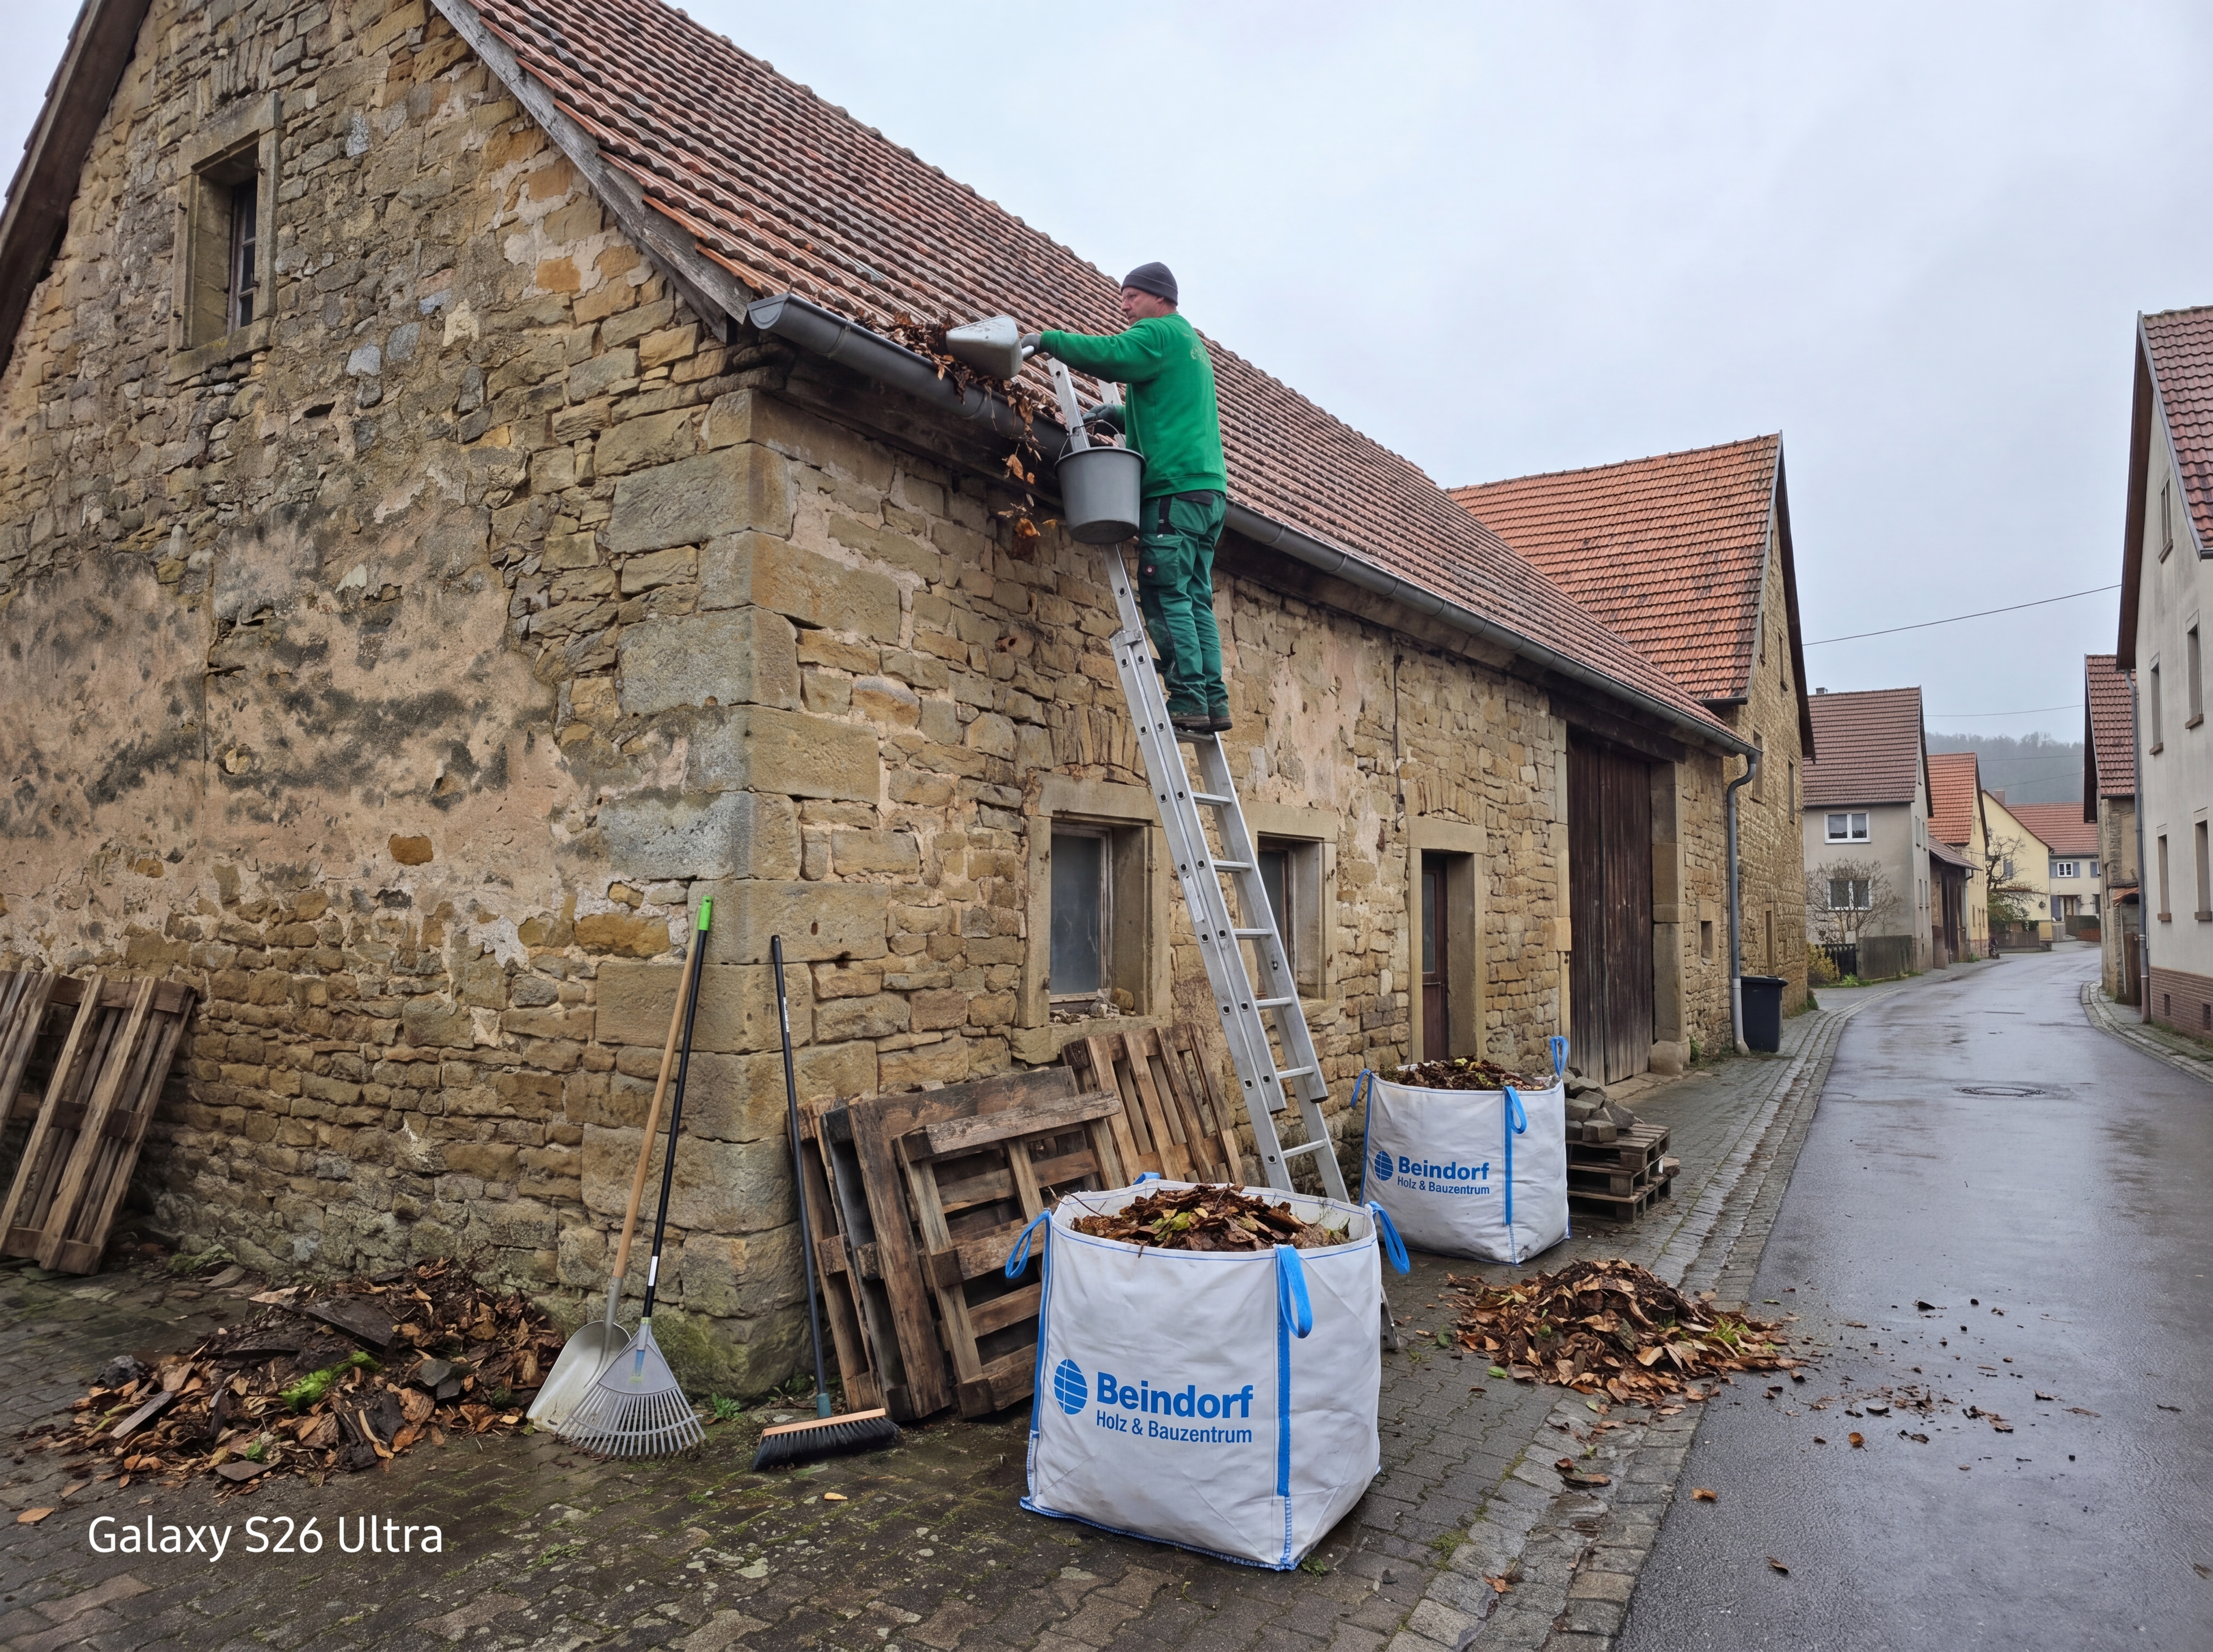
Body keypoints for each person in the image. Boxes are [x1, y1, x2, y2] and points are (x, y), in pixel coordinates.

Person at [1024, 264, 1232, 734]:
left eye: (1132, 296)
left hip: (1173, 492)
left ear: (1160, 298)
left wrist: (1048, 338)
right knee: (1196, 596)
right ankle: (1213, 701)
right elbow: (1169, 406)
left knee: (1165, 593)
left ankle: (1188, 702)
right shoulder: (1189, 344)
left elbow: (1114, 355)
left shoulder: (1157, 333)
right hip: (1206, 492)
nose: (1124, 306)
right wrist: (1120, 413)